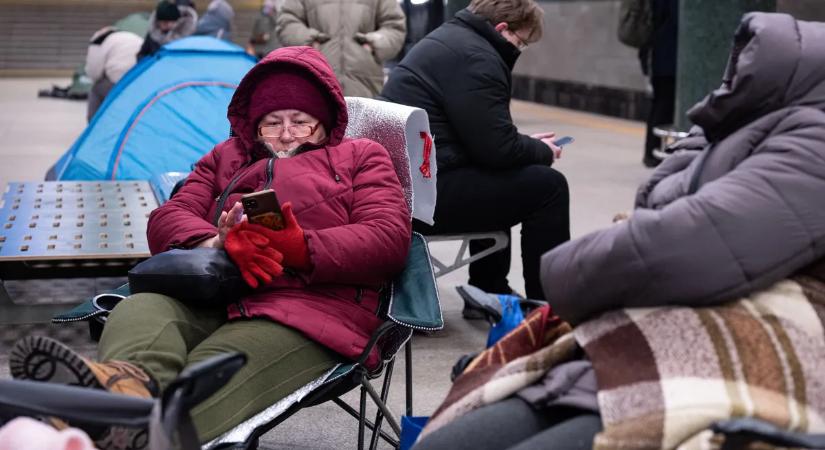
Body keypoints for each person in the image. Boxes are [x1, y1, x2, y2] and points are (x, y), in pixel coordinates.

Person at [414, 12, 825, 450]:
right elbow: (657, 200)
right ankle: (503, 286)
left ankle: (527, 293)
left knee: (544, 186)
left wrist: (565, 273)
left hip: (694, 346)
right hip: (652, 332)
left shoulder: (805, 145)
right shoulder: (752, 128)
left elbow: (675, 238)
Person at [9, 46, 411, 448]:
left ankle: (100, 431)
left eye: (301, 122)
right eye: (272, 123)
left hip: (306, 309)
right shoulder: (227, 157)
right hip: (213, 289)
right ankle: (120, 400)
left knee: (216, 366)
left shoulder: (360, 157)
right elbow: (167, 217)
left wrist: (299, 245)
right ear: (254, 127)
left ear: (324, 122)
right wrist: (214, 241)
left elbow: (389, 239)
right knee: (139, 308)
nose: (286, 135)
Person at [380, 0, 569, 303]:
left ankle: (488, 289)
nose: (519, 50)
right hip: (420, 196)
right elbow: (497, 151)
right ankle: (548, 306)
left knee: (507, 176)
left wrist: (524, 145)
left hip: (406, 182)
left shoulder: (451, 38)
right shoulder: (477, 58)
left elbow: (483, 136)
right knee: (549, 187)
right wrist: (542, 151)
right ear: (502, 29)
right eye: (520, 42)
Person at [276, 0, 406, 97]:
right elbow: (287, 22)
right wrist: (311, 44)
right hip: (314, 77)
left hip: (364, 82)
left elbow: (394, 26)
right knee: (317, 128)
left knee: (362, 130)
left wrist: (372, 45)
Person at [641, 0, 679, 168]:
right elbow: (678, 20)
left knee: (660, 104)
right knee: (664, 106)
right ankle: (653, 151)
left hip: (660, 56)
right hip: (669, 58)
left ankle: (651, 151)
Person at [84, 26, 143, 122]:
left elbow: (94, 72)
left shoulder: (98, 42)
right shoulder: (130, 36)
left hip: (118, 80)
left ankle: (94, 125)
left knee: (96, 89)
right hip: (140, 81)